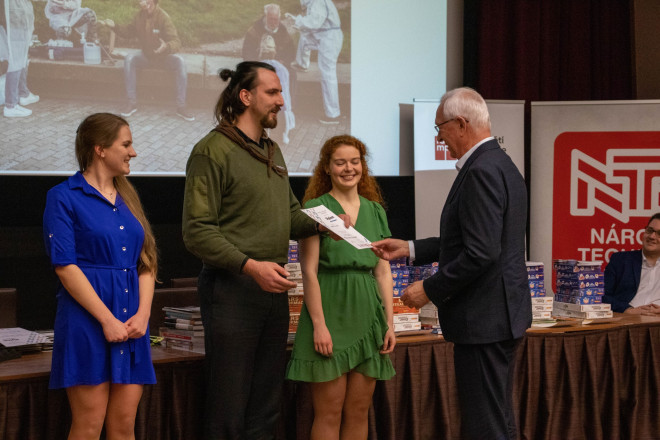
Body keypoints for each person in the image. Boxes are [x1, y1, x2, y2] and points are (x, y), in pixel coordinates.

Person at [371, 87, 531, 440]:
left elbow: (481, 253)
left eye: (439, 128)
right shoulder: (500, 164)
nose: (439, 137)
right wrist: (411, 248)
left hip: (484, 321)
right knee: (499, 419)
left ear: (460, 123)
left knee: (485, 425)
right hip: (500, 316)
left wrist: (428, 289)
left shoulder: (480, 171)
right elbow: (475, 242)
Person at [182, 61, 320, 439]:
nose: (281, 101)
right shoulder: (212, 151)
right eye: (272, 93)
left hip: (271, 291)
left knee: (265, 406)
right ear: (245, 96)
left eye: (281, 93)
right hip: (233, 290)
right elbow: (196, 231)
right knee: (229, 406)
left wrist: (329, 224)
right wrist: (250, 267)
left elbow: (291, 216)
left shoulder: (272, 151)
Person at [43, 113, 158, 439]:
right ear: (100, 149)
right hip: (87, 321)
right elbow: (65, 267)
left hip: (132, 321)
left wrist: (143, 314)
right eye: (126, 144)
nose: (133, 152)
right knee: (89, 424)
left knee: (124, 427)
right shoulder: (63, 196)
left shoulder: (129, 196)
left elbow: (146, 261)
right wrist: (107, 320)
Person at [286, 134, 396, 440]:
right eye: (340, 162)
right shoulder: (316, 209)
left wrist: (389, 323)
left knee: (359, 412)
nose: (349, 168)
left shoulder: (375, 211)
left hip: (367, 316)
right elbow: (308, 272)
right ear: (327, 168)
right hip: (329, 314)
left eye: (355, 161)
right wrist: (319, 326)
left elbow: (383, 271)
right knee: (329, 413)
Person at [99, 0, 194, 121]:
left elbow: (176, 42)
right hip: (147, 57)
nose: (142, 4)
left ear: (153, 3)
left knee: (180, 61)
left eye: (146, 2)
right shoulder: (139, 16)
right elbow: (129, 31)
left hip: (164, 58)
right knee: (129, 59)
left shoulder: (164, 17)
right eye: (142, 2)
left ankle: (181, 107)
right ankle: (131, 102)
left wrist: (167, 47)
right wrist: (114, 26)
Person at [285, 0, 343, 125]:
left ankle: (333, 114)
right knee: (304, 37)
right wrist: (297, 20)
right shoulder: (314, 2)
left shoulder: (318, 2)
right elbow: (311, 22)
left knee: (328, 75)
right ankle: (302, 63)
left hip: (329, 38)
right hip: (324, 35)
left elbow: (314, 23)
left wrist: (297, 20)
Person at [603, 213, 660, 315]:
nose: (652, 236)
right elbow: (601, 295)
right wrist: (628, 310)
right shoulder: (620, 260)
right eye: (650, 230)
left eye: (659, 233)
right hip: (627, 322)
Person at [3, 0, 39, 118]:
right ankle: (10, 105)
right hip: (16, 16)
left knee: (21, 56)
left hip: (16, 15)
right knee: (16, 58)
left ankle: (23, 93)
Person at [259, 34, 295, 144]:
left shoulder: (257, 68)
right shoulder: (282, 69)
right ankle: (284, 133)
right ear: (274, 52)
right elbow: (286, 91)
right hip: (281, 105)